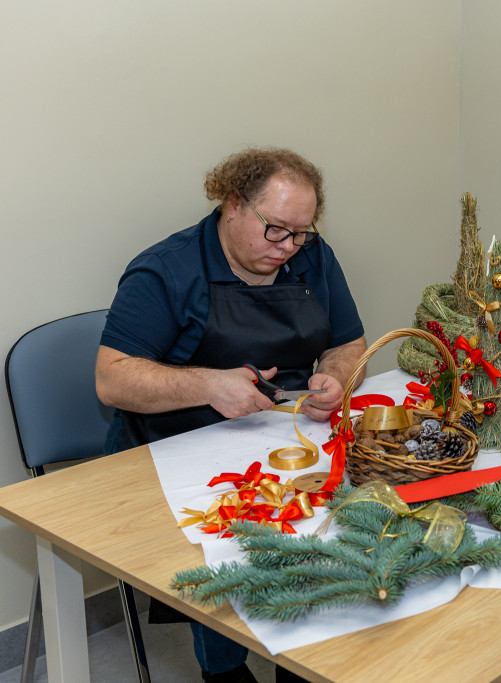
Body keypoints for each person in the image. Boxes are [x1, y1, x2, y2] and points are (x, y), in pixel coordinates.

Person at [96, 147, 366, 683]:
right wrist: (207, 384)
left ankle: (304, 657)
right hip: (173, 446)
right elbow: (111, 379)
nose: (288, 247)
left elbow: (348, 343)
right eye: (276, 230)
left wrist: (335, 378)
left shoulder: (312, 257)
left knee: (336, 525)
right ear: (234, 204)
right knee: (228, 550)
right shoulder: (165, 270)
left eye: (301, 233)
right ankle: (223, 670)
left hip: (281, 437)